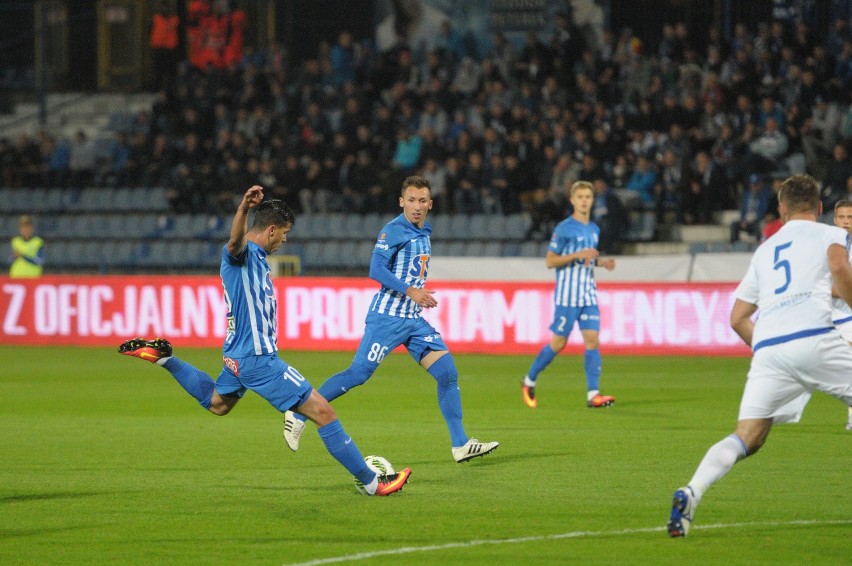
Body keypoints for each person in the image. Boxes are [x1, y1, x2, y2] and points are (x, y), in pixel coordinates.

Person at [118, 186, 410, 496]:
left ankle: (165, 358)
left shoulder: (256, 260)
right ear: (271, 230)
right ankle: (372, 483)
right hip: (259, 360)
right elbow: (233, 243)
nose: (284, 240)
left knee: (217, 403)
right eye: (283, 233)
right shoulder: (242, 256)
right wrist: (243, 208)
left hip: (238, 355)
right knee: (323, 412)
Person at [667, 174, 852, 537]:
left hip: (768, 348)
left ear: (781, 210)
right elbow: (839, 267)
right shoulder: (831, 234)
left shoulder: (765, 249)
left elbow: (737, 318)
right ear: (818, 208)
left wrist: (772, 350)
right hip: (814, 336)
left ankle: (692, 490)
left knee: (748, 435)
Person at [284, 175, 499, 463]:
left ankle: (460, 444)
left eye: (422, 201)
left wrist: (417, 295)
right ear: (401, 202)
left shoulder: (424, 230)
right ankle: (300, 411)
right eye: (411, 200)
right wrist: (411, 290)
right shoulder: (394, 230)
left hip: (413, 320)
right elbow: (375, 269)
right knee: (358, 375)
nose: (417, 206)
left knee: (447, 373)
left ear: (430, 204)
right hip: (387, 319)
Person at [521, 180, 617, 409]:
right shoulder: (564, 228)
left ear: (592, 201)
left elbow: (587, 259)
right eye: (580, 197)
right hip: (567, 296)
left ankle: (593, 394)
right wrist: (577, 254)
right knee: (558, 343)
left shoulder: (594, 228)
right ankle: (528, 380)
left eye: (588, 197)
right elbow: (550, 261)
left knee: (592, 340)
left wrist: (602, 262)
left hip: (588, 294)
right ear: (573, 200)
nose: (584, 200)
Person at [830, 199, 852, 431]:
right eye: (842, 217)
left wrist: (822, 288)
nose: (846, 222)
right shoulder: (824, 248)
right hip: (824, 319)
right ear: (835, 220)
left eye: (850, 218)